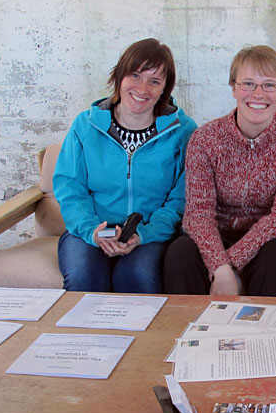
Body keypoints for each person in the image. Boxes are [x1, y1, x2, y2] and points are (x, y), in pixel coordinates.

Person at [163, 45, 276, 296]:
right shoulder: (205, 139)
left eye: (269, 84)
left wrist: (230, 262)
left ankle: (264, 334)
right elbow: (198, 215)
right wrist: (220, 267)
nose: (258, 94)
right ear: (234, 88)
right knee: (180, 254)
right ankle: (188, 331)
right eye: (248, 84)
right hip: (217, 235)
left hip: (274, 239)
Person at [53, 38, 196, 293]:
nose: (143, 88)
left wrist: (144, 234)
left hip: (149, 234)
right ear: (119, 76)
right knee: (83, 275)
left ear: (165, 88)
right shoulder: (85, 126)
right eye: (135, 75)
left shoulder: (184, 132)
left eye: (155, 81)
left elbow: (181, 198)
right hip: (92, 229)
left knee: (138, 276)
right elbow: (70, 187)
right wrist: (91, 231)